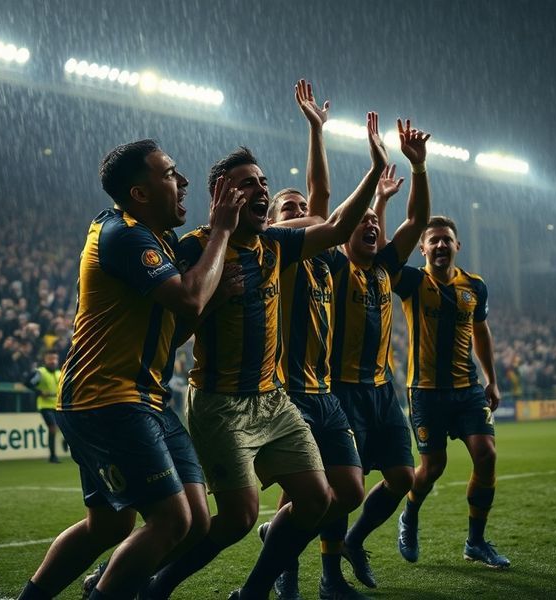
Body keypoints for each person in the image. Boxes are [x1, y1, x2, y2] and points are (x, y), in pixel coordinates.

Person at [142, 111, 389, 600]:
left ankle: (252, 593)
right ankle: (152, 582)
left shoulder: (274, 244)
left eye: (262, 182)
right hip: (220, 401)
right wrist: (214, 301)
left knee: (319, 499)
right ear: (220, 194)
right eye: (246, 184)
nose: (259, 189)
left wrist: (375, 169)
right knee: (239, 517)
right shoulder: (193, 249)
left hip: (274, 400)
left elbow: (335, 225)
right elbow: (171, 336)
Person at [17, 138, 245, 600]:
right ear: (140, 193)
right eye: (170, 174)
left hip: (145, 398)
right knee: (172, 520)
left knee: (142, 524)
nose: (183, 181)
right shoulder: (124, 235)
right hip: (106, 399)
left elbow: (174, 330)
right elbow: (189, 299)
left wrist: (214, 299)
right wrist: (222, 230)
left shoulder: (157, 240)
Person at [257, 79, 364, 600]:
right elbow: (321, 204)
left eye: (300, 206)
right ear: (274, 223)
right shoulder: (279, 257)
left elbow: (325, 213)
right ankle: (286, 571)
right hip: (288, 392)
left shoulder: (327, 264)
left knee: (350, 491)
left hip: (325, 392)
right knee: (304, 493)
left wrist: (320, 130)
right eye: (288, 208)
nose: (300, 211)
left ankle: (278, 543)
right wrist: (315, 132)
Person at [325, 120, 431, 592]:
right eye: (362, 221)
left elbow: (418, 222)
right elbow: (329, 212)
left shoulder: (386, 266)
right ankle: (326, 573)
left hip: (382, 390)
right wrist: (372, 191)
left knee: (403, 476)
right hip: (340, 391)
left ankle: (354, 541)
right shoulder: (332, 266)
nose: (371, 225)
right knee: (340, 488)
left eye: (375, 223)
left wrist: (419, 168)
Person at [388, 215, 510, 569]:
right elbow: (386, 260)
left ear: (457, 245)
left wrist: (492, 379)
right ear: (422, 248)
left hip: (467, 389)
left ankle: (476, 542)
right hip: (426, 392)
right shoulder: (412, 281)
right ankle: (409, 515)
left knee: (486, 455)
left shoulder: (475, 286)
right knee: (433, 467)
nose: (441, 245)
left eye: (446, 239)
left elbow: (481, 331)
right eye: (434, 240)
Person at [25, 350, 62, 463]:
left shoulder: (60, 373)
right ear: (45, 360)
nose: (52, 361)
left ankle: (58, 450)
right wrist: (40, 392)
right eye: (50, 359)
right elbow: (28, 383)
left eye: (54, 359)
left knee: (61, 428)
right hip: (45, 405)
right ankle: (53, 456)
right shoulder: (40, 373)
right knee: (52, 428)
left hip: (58, 405)